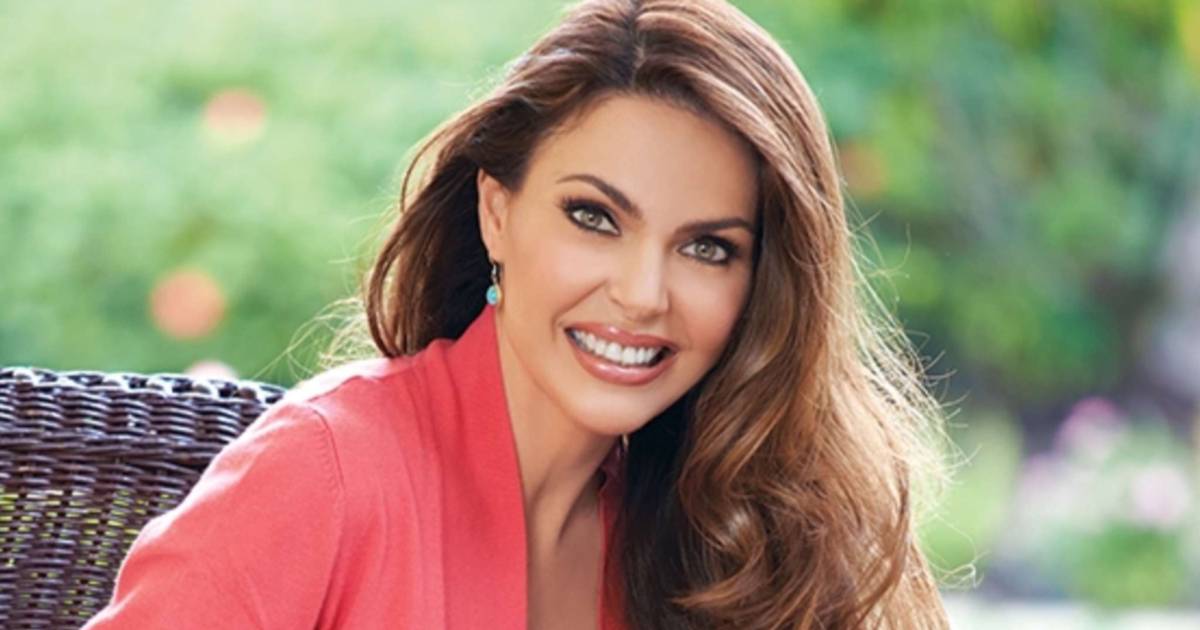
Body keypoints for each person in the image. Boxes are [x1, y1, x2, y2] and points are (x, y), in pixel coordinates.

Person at [84, 0, 952, 628]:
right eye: (594, 218)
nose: (643, 293)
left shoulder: (710, 540)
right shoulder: (325, 472)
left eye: (707, 247)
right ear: (496, 212)